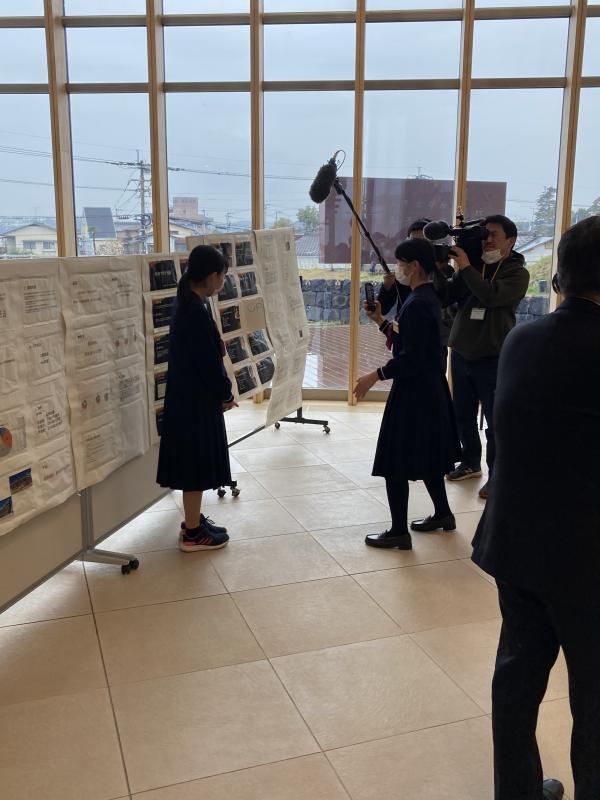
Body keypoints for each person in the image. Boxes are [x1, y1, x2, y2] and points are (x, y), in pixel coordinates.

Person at [471, 215, 600, 800]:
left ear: (561, 277)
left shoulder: (522, 340)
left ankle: (517, 792)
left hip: (517, 541)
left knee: (517, 681)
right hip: (586, 556)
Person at [354, 238, 461, 549]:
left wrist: (375, 375)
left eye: (400, 263)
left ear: (414, 266)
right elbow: (409, 342)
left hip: (414, 393)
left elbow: (412, 359)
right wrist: (380, 321)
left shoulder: (417, 304)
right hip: (430, 390)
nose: (397, 268)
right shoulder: (425, 298)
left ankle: (399, 531)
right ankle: (443, 514)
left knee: (396, 460)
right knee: (429, 455)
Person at [156, 245, 238, 552]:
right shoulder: (194, 313)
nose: (222, 283)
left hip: (187, 399)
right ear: (213, 275)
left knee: (195, 464)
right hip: (194, 404)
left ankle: (193, 521)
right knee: (195, 468)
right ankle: (192, 534)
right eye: (222, 277)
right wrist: (225, 393)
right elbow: (209, 364)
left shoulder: (189, 303)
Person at [444, 214, 529, 499]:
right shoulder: (473, 264)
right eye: (485, 235)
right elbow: (447, 296)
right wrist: (441, 267)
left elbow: (490, 296)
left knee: (495, 421)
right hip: (461, 352)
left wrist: (466, 267)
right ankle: (470, 463)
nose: (488, 240)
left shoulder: (517, 273)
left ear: (511, 240)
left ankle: (497, 476)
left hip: (493, 357)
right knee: (462, 414)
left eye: (494, 235)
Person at [377, 218, 429, 317]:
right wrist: (387, 285)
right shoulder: (404, 271)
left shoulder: (442, 270)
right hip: (405, 323)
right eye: (413, 242)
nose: (417, 248)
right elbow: (383, 309)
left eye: (423, 243)